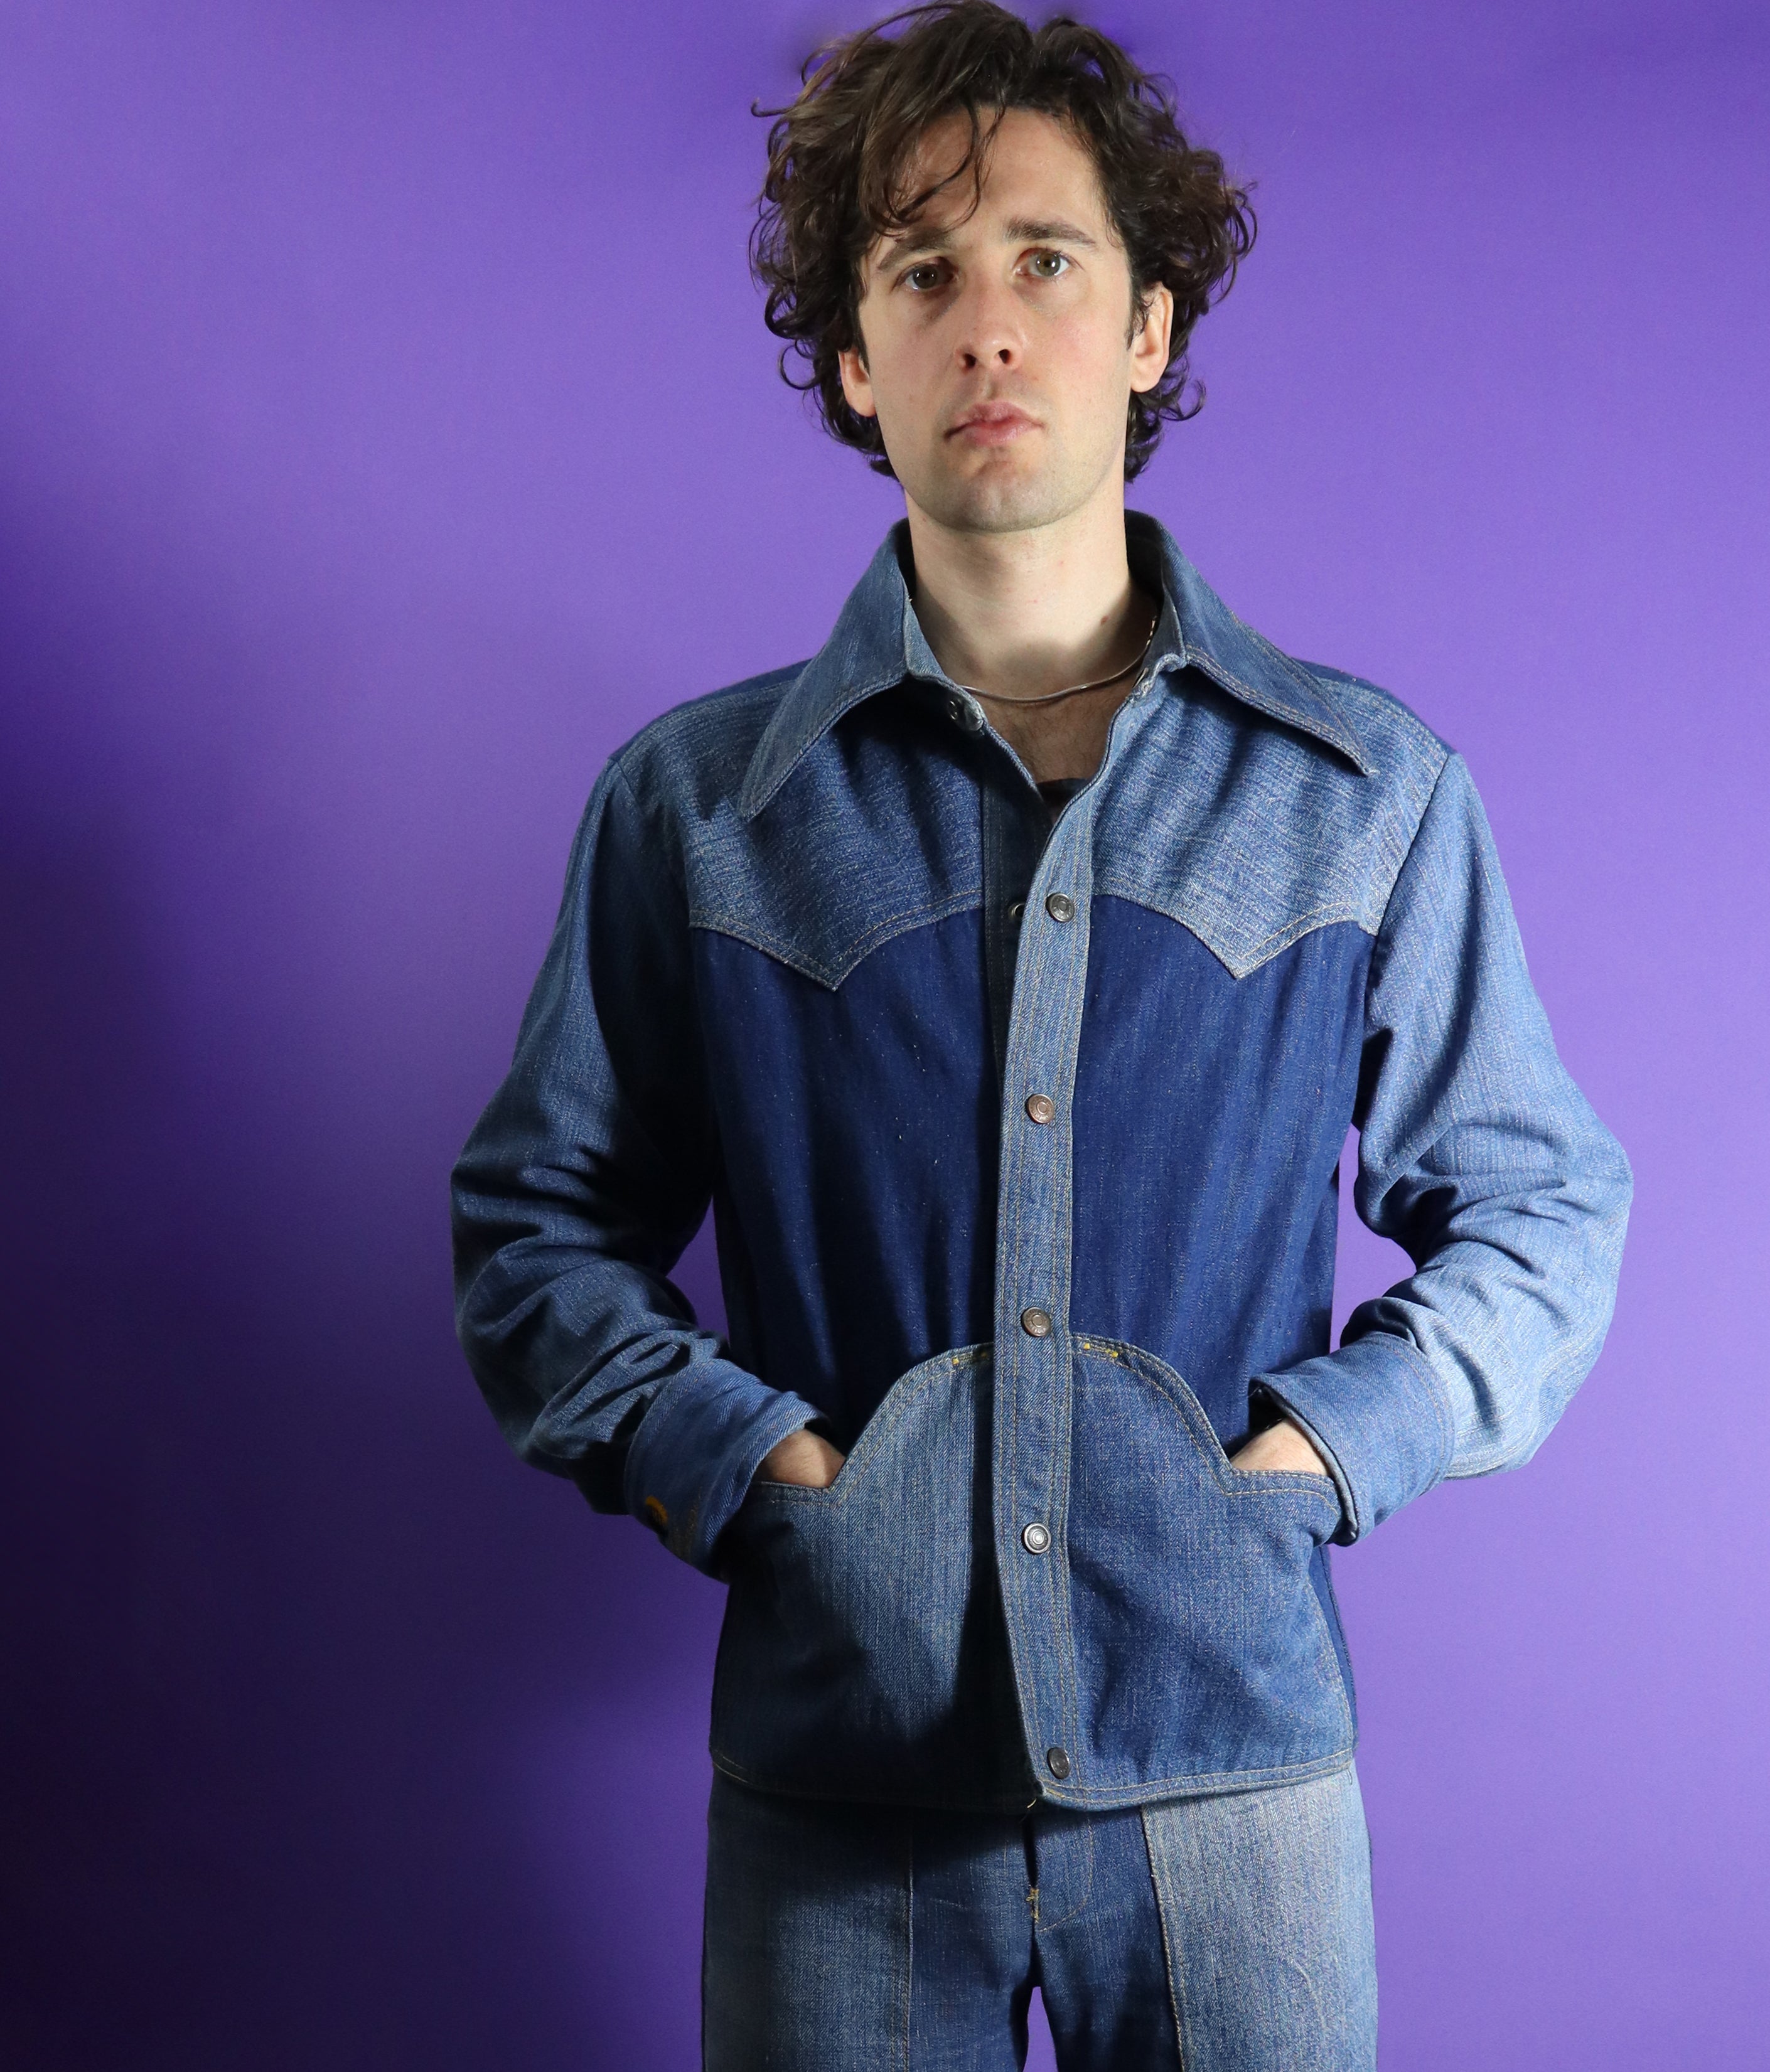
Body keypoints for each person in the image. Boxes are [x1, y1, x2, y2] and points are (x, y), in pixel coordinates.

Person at [450, 4, 1633, 2065]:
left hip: (1234, 1788)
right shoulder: (697, 813)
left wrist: (1324, 1453)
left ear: (1147, 329)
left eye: (1045, 260)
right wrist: (742, 1461)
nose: (987, 324)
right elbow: (535, 1225)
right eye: (922, 273)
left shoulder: (1362, 795)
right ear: (855, 359)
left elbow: (1540, 1213)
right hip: (839, 1792)